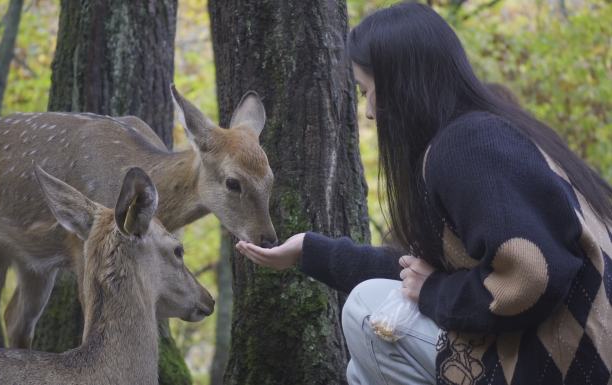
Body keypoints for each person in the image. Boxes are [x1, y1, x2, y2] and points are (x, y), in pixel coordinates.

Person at [235, 3, 612, 385]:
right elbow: (416, 272)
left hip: (568, 366)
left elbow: (531, 276)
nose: (368, 112)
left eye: (368, 91)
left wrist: (434, 292)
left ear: (400, 86)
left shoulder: (469, 145)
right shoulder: (496, 132)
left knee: (367, 311)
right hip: (569, 357)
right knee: (362, 366)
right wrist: (309, 250)